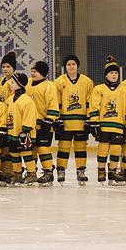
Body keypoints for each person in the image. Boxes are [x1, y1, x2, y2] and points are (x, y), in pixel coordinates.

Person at [89, 56, 126, 186]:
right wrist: (94, 123)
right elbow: (94, 107)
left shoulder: (124, 90)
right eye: (111, 73)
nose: (114, 75)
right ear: (106, 75)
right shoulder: (99, 89)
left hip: (118, 125)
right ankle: (101, 170)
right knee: (103, 148)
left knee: (116, 149)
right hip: (104, 125)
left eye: (116, 72)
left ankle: (112, 172)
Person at [54, 55, 94, 185]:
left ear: (77, 66)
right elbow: (56, 102)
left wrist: (89, 118)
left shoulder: (87, 81)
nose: (71, 67)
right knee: (63, 146)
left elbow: (90, 102)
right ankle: (61, 170)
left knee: (81, 147)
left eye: (73, 64)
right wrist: (58, 119)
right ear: (65, 66)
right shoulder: (59, 82)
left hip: (81, 121)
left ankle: (81, 171)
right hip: (65, 121)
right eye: (68, 64)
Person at [28, 61, 60, 185]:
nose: (32, 73)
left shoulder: (49, 85)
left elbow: (53, 103)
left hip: (44, 123)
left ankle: (48, 172)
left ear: (42, 73)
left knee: (42, 147)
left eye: (35, 71)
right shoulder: (28, 84)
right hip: (31, 124)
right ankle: (32, 173)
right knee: (31, 149)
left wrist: (50, 119)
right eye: (32, 71)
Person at [4, 72, 39, 186]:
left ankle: (32, 173)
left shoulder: (27, 100)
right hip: (13, 132)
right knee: (14, 153)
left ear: (19, 84)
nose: (10, 84)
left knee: (26, 153)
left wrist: (25, 130)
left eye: (13, 82)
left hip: (24, 133)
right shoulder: (10, 99)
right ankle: (17, 174)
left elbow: (30, 115)